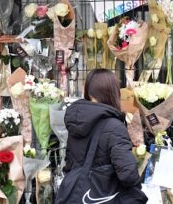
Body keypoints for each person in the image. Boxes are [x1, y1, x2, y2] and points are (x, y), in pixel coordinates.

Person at [63, 68, 148, 203]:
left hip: (79, 195)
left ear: (88, 91)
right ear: (112, 92)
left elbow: (70, 164)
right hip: (104, 197)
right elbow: (127, 174)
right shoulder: (114, 126)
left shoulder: (77, 121)